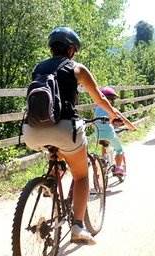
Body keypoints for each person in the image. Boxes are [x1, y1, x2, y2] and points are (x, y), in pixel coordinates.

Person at [23, 27, 136, 244]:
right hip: (66, 129)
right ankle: (77, 226)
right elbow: (101, 99)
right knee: (81, 175)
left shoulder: (38, 67)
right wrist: (114, 115)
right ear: (72, 49)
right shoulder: (76, 68)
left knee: (56, 153)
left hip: (32, 130)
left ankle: (50, 184)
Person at [94, 87, 128, 176]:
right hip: (109, 133)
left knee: (104, 144)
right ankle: (118, 168)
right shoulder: (111, 109)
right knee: (119, 149)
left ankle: (104, 160)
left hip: (97, 134)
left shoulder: (96, 108)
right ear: (111, 100)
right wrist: (132, 127)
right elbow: (123, 120)